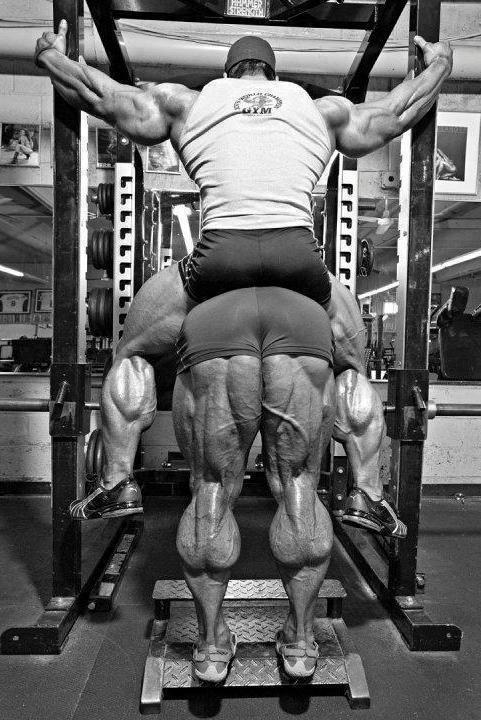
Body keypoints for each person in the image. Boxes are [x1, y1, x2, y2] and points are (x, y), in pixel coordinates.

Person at [35, 21, 452, 536]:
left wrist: (52, 56)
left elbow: (99, 95)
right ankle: (367, 492)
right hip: (299, 259)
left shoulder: (187, 102)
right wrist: (439, 65)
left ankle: (118, 480)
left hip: (218, 257)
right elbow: (397, 113)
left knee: (131, 352)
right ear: (273, 75)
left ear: (227, 74)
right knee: (354, 365)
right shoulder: (321, 110)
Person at [173, 285, 336, 681]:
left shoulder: (206, 264)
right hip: (301, 323)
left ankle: (211, 645)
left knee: (211, 485)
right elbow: (348, 335)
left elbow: (154, 323)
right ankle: (300, 640)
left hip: (216, 324)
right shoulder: (310, 267)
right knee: (299, 484)